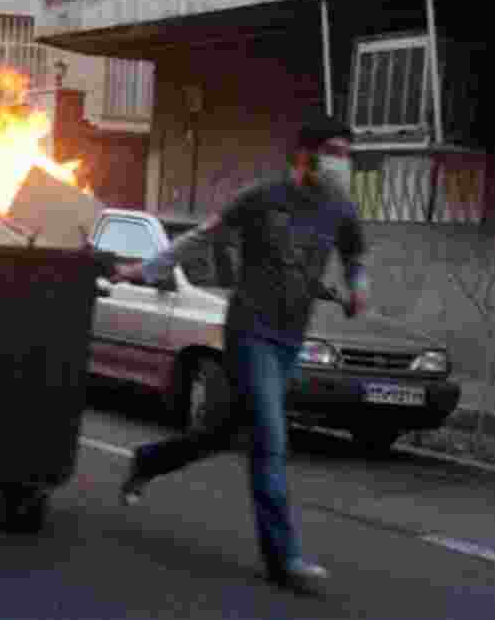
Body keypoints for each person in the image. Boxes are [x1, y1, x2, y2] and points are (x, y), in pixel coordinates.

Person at [111, 111, 369, 595]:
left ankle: (148, 461)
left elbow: (355, 256)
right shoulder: (262, 198)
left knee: (222, 431)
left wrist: (357, 287)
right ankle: (283, 559)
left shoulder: (340, 208)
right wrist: (144, 271)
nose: (342, 163)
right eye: (333, 152)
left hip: (290, 339)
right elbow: (202, 237)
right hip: (249, 332)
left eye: (346, 154)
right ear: (305, 155)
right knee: (270, 437)